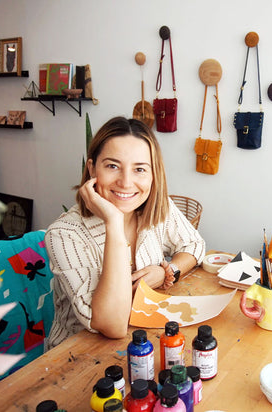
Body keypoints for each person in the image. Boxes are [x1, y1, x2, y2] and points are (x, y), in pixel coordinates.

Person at [45, 116, 205, 349]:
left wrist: (167, 272)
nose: (126, 183)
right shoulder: (64, 234)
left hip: (143, 338)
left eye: (140, 169)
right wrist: (113, 222)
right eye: (112, 166)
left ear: (153, 174)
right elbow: (113, 325)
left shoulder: (157, 207)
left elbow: (195, 245)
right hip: (77, 357)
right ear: (92, 169)